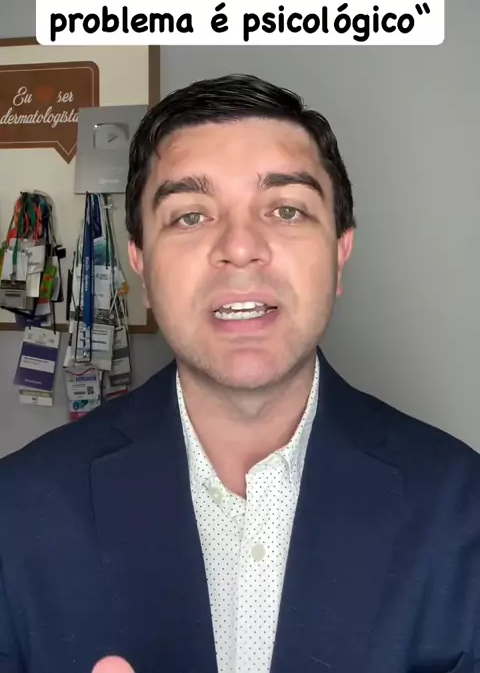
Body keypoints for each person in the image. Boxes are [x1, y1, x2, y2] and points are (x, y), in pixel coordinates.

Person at [1, 74, 480, 673]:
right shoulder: (17, 513)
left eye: (286, 209)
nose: (240, 246)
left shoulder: (462, 508)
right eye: (190, 216)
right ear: (141, 265)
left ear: (340, 252)